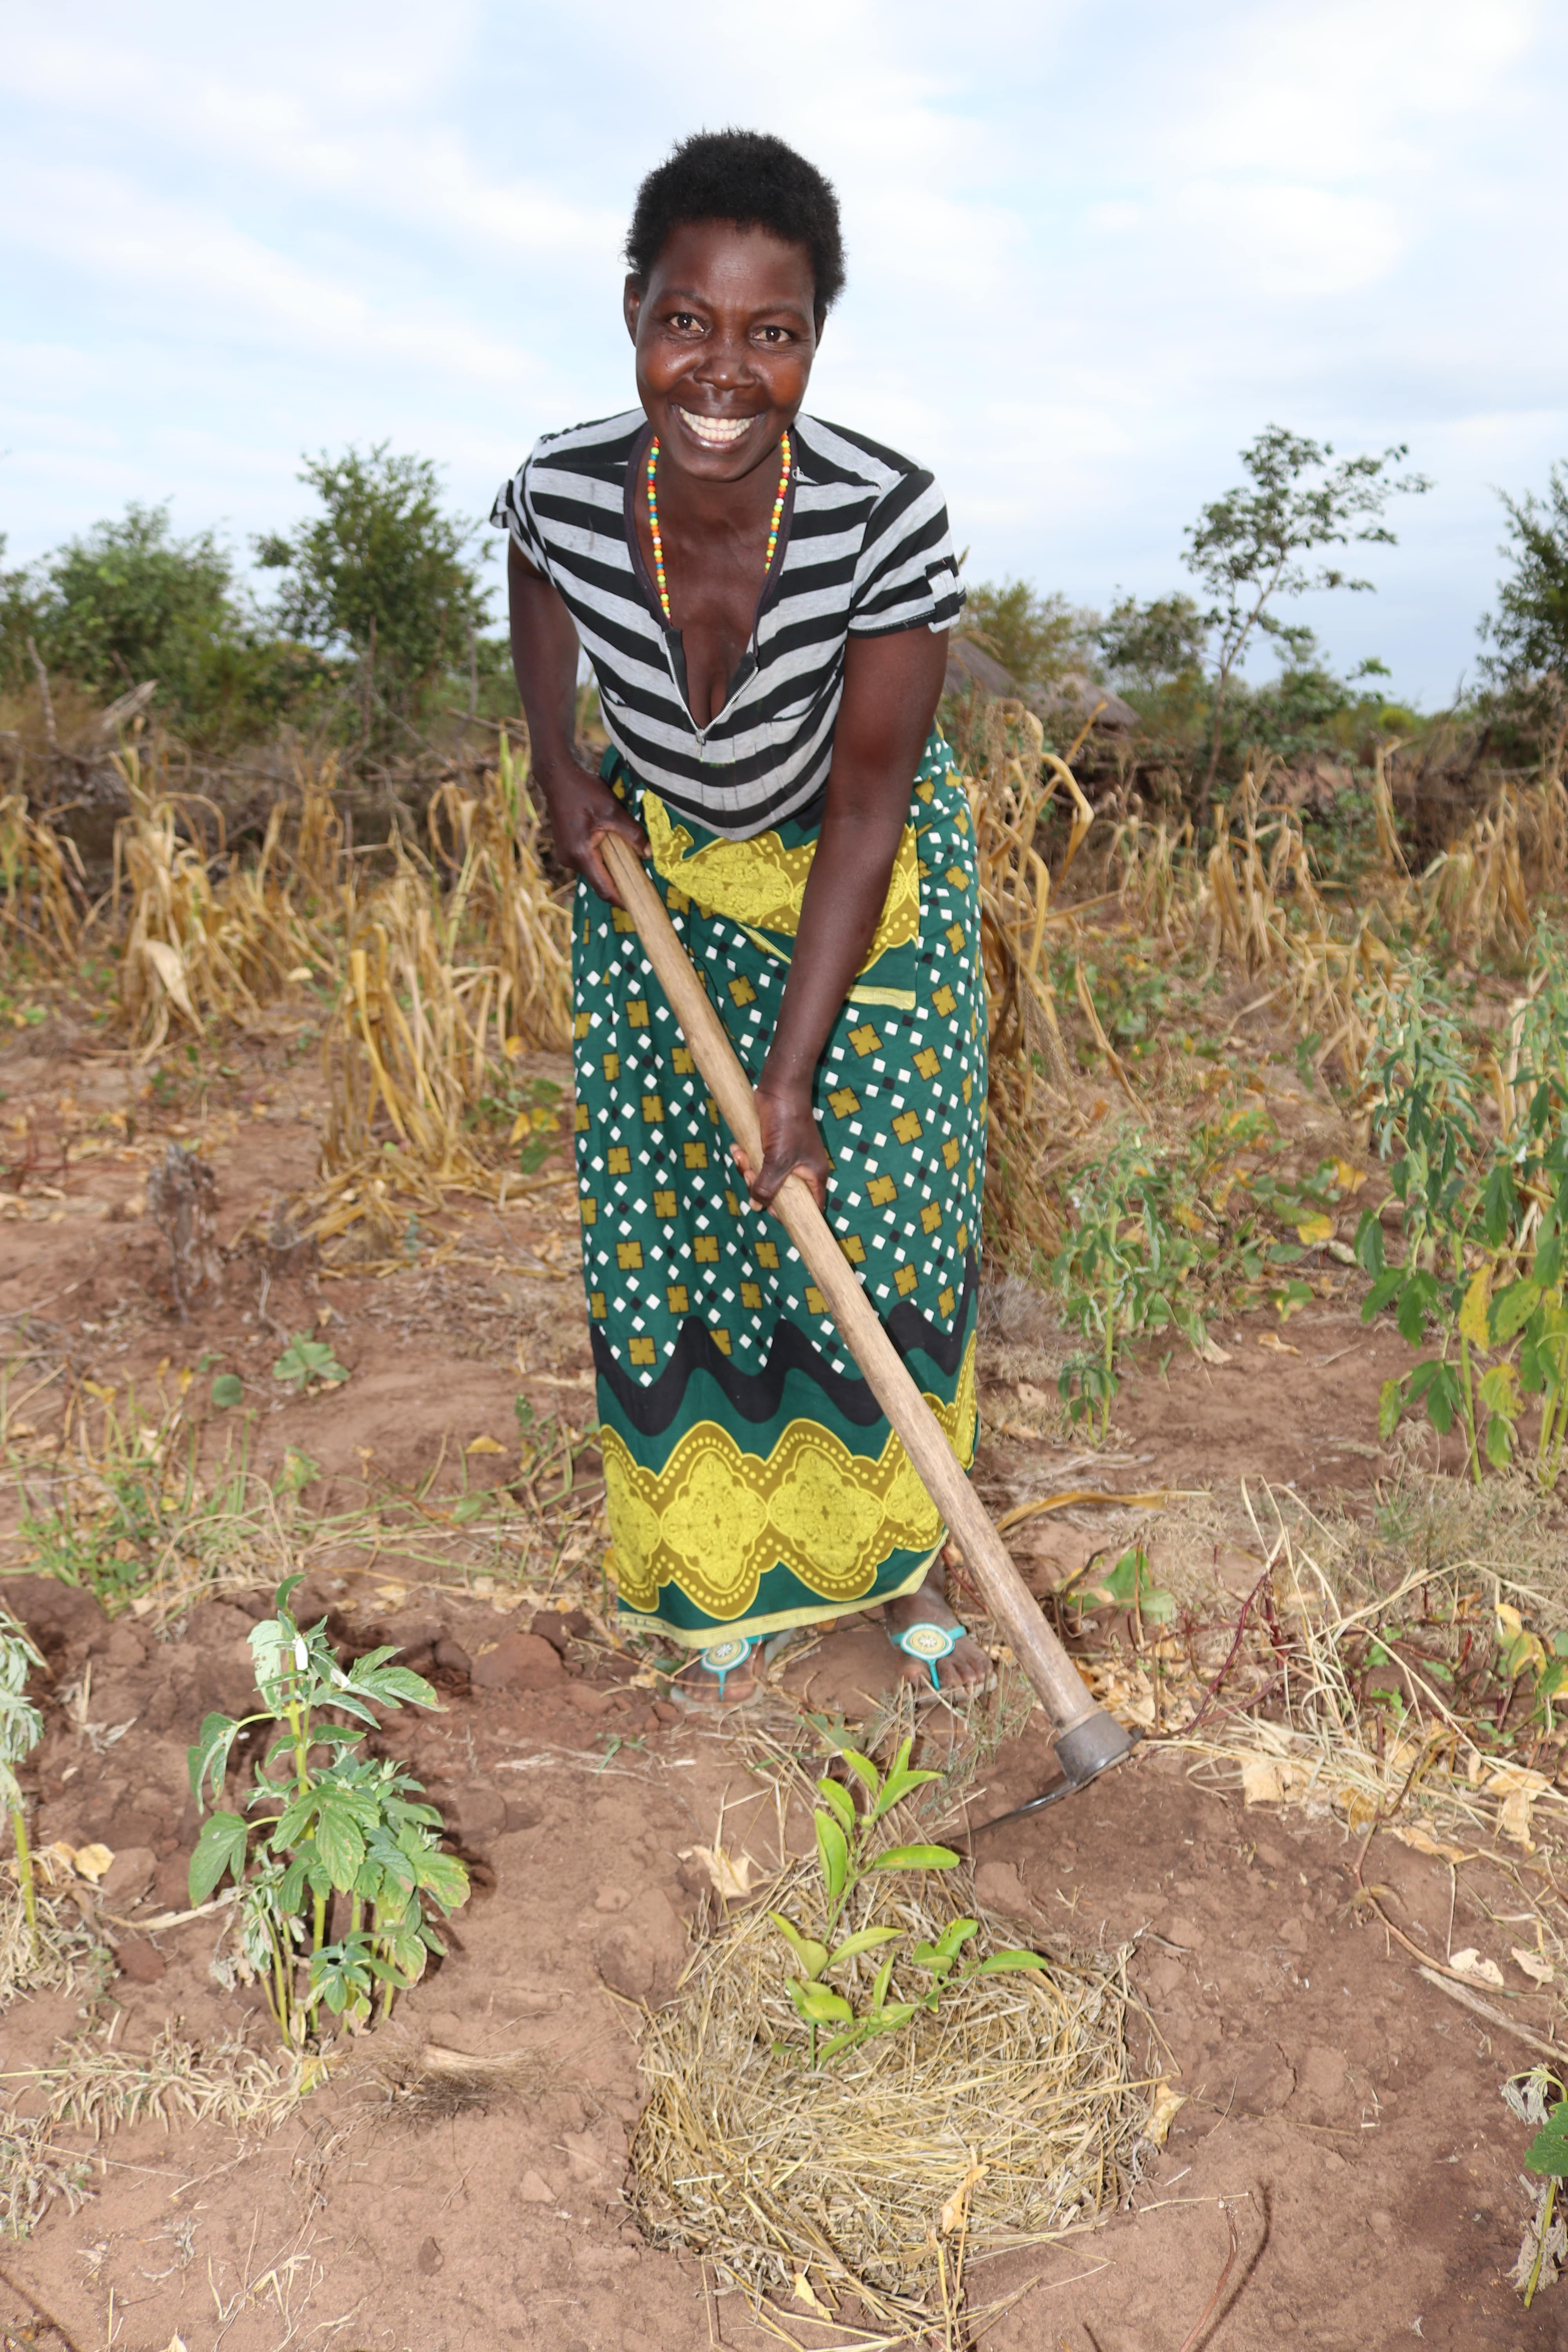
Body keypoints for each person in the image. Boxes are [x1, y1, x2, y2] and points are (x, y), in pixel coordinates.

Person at [494, 128, 989, 1703]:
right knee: (684, 1233)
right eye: (685, 322)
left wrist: (791, 1071)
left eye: (771, 334)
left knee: (872, 1234)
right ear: (633, 310)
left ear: (814, 344)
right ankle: (716, 1584)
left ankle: (893, 1570)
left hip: (860, 905)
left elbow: (863, 807)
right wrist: (559, 763)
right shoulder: (562, 485)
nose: (722, 370)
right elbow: (535, 581)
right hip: (665, 894)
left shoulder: (884, 517)